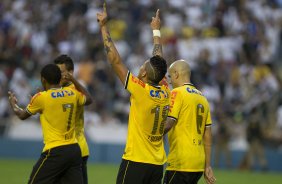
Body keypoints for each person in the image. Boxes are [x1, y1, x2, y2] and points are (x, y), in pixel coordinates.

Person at [97, 4, 170, 184]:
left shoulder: (140, 89)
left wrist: (103, 26)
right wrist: (156, 32)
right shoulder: (166, 90)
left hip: (136, 161)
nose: (140, 67)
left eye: (142, 66)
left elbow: (115, 61)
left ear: (144, 74)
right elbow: (159, 61)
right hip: (156, 164)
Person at [8, 64, 92, 184]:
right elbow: (89, 99)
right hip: (74, 150)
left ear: (43, 79)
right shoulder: (72, 93)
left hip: (55, 151)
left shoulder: (41, 97)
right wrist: (74, 80)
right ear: (59, 78)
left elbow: (22, 115)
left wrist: (13, 104)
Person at [163, 60, 216, 184]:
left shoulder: (177, 93)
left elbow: (169, 123)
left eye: (170, 76)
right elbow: (207, 135)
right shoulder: (202, 97)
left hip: (181, 161)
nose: (169, 81)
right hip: (198, 163)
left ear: (176, 74)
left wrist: (150, 134)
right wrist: (207, 165)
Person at [54, 54, 90, 184]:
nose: (58, 75)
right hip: (62, 149)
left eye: (61, 72)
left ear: (70, 72)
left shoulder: (76, 89)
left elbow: (89, 99)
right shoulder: (58, 90)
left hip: (78, 149)